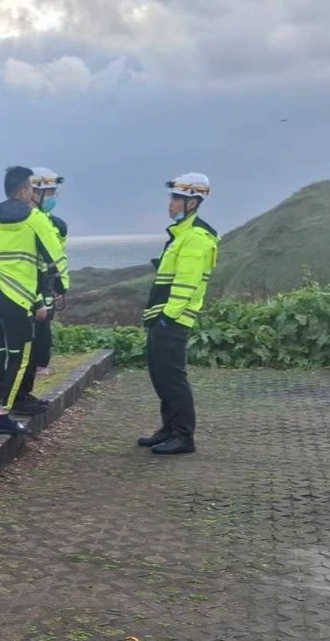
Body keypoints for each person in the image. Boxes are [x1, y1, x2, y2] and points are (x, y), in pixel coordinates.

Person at [0, 166, 68, 435]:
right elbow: (55, 258)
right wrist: (60, 286)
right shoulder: (35, 220)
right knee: (19, 357)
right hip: (16, 301)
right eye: (31, 188)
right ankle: (3, 414)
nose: (33, 193)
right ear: (23, 191)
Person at [139, 173, 218, 455]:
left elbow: (186, 283)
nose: (170, 204)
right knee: (161, 376)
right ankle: (169, 429)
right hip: (162, 318)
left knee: (172, 378)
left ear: (193, 203)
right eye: (172, 198)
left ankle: (183, 436)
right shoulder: (181, 235)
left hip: (172, 320)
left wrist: (167, 317)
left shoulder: (195, 237)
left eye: (177, 199)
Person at [14, 167, 70, 413]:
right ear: (34, 192)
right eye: (50, 192)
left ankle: (25, 393)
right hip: (28, 292)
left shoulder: (54, 224)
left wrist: (56, 287)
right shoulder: (23, 221)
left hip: (44, 290)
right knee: (27, 346)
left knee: (39, 345)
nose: (53, 197)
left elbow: (56, 258)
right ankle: (18, 398)